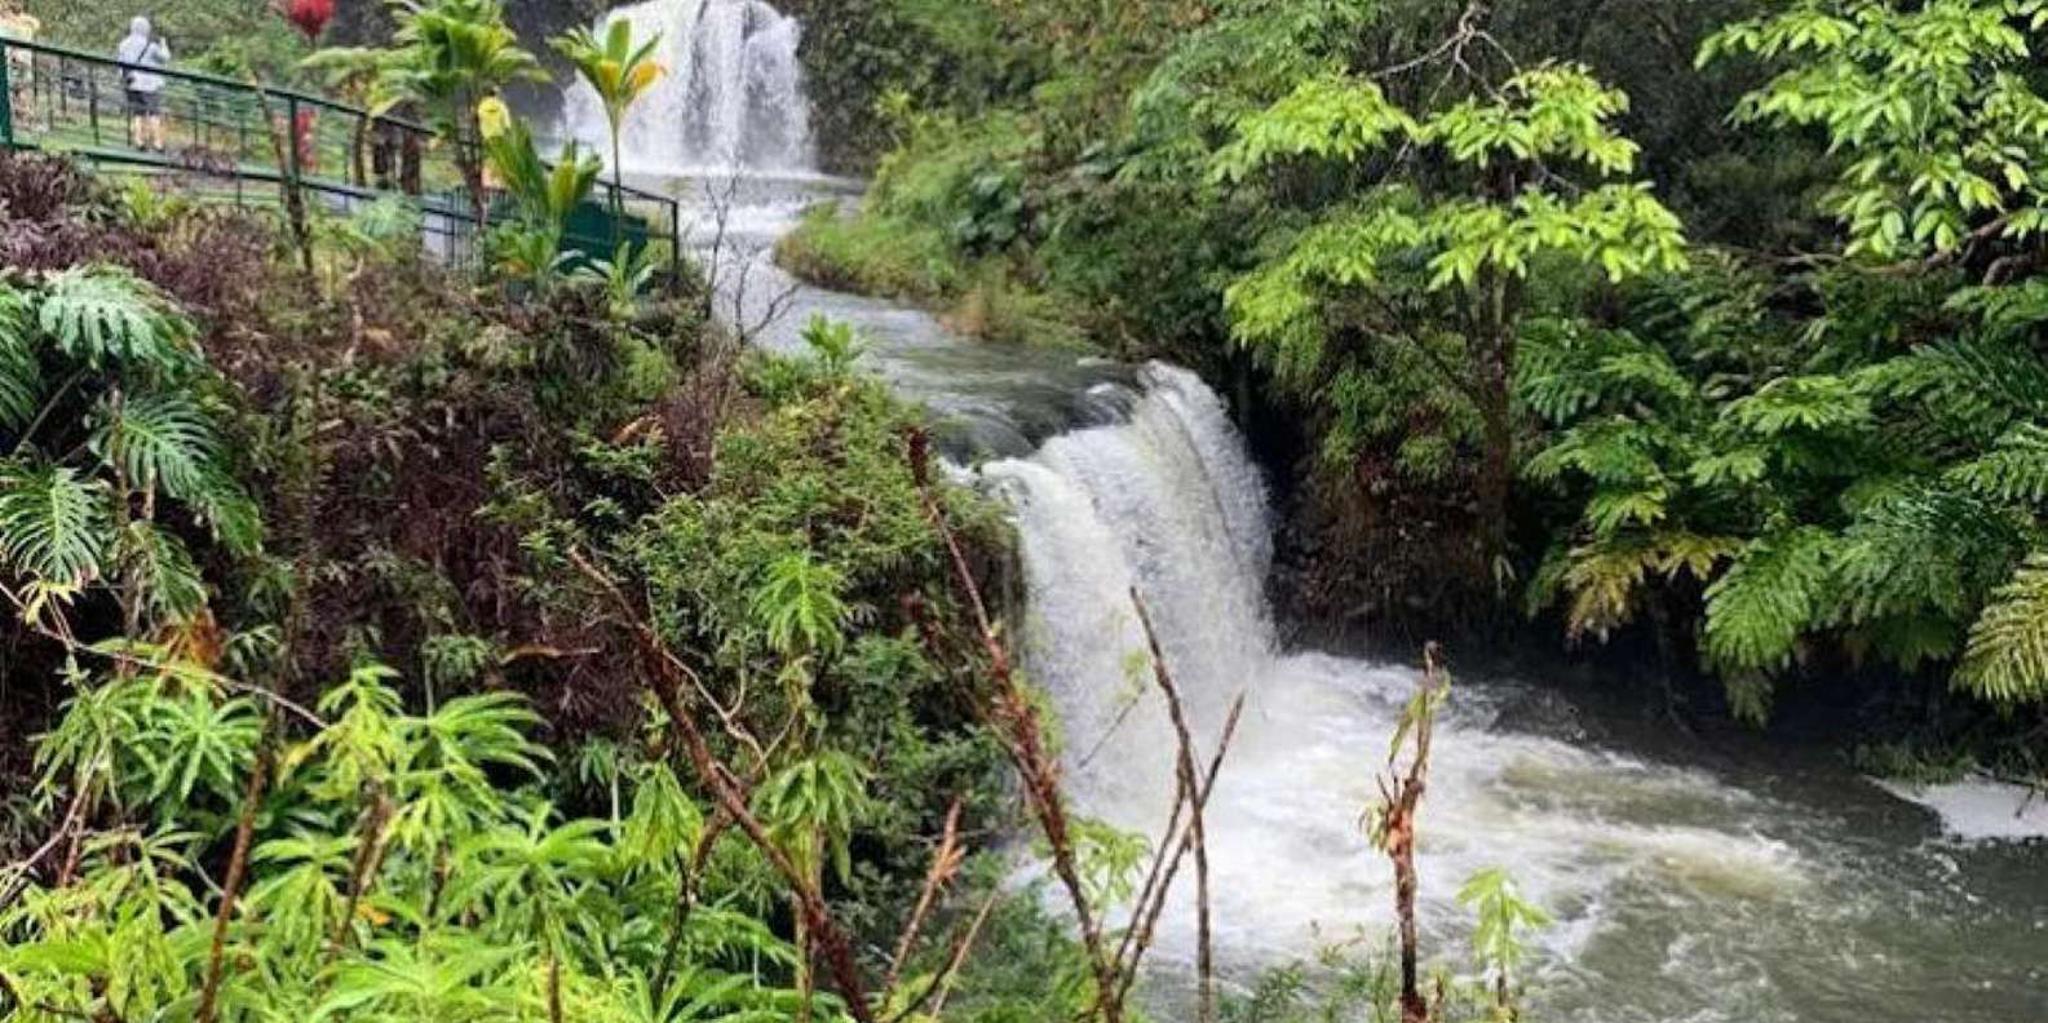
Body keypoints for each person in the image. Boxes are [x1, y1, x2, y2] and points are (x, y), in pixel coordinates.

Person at [114, 16, 169, 152]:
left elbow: (120, 64)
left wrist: (122, 78)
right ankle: (157, 143)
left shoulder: (123, 44)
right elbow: (165, 58)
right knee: (153, 113)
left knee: (137, 113)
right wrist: (163, 45)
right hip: (150, 85)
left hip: (132, 82)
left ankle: (139, 141)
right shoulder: (150, 46)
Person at [0, 0, 40, 136]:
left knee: (19, 98)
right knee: (16, 97)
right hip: (15, 64)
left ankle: (23, 131)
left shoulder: (20, 24)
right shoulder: (25, 24)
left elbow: (34, 25)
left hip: (16, 64)